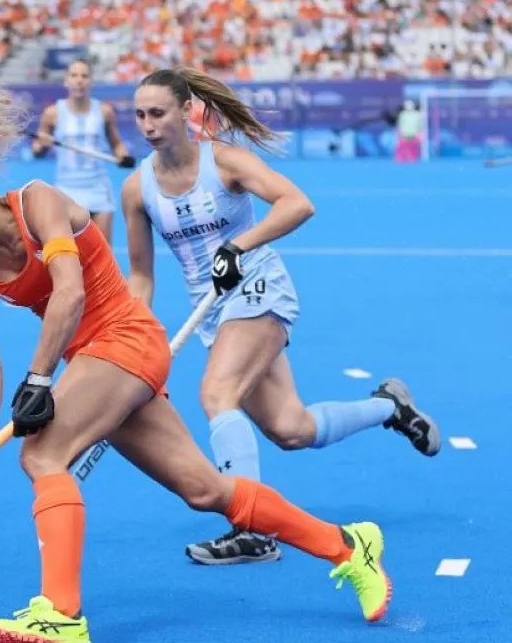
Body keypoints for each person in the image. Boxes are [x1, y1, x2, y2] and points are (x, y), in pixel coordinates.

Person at [0, 80, 393, 643]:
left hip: (124, 340)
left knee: (41, 456)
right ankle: (347, 547)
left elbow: (69, 294)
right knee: (204, 490)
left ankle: (61, 614)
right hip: (96, 365)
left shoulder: (40, 204)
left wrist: (38, 381)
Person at [122, 68, 440, 566]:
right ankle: (389, 407)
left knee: (216, 394)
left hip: (258, 286)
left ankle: (250, 529)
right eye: (140, 115)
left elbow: (298, 204)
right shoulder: (136, 189)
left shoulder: (225, 162)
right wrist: (130, 342)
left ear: (187, 111)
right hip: (211, 312)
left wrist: (238, 245)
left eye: (157, 113)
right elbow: (141, 277)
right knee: (292, 429)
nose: (147, 124)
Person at [30, 59, 135, 244]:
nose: (79, 80)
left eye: (84, 76)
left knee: (102, 255)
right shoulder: (52, 113)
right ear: (66, 81)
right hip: (67, 191)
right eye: (74, 75)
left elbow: (116, 144)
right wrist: (42, 145)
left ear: (91, 81)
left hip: (98, 189)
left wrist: (123, 156)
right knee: (71, 256)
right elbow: (37, 150)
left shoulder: (104, 111)